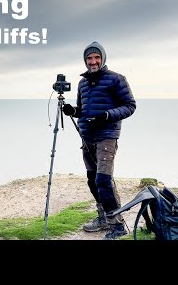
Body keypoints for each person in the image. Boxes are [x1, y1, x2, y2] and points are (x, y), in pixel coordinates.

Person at [62, 41, 136, 240]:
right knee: (92, 180)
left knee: (103, 180)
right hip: (87, 137)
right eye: (89, 58)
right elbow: (83, 111)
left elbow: (130, 106)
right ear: (85, 61)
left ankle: (117, 226)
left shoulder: (116, 79)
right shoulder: (83, 83)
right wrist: (72, 111)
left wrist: (106, 115)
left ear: (103, 58)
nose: (93, 61)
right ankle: (103, 218)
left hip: (107, 136)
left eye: (96, 57)